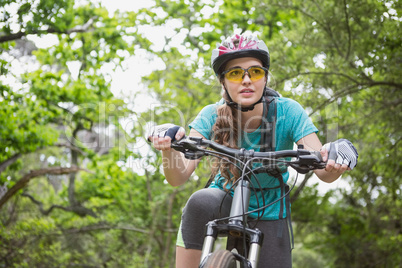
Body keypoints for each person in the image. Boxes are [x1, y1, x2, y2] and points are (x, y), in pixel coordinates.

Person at [148, 34, 358, 268]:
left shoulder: (289, 112)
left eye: (255, 72)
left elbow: (323, 170)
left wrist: (335, 162)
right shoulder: (211, 114)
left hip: (271, 208)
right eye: (235, 73)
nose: (246, 80)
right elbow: (178, 177)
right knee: (198, 202)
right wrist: (168, 149)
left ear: (265, 78)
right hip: (224, 197)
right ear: (223, 82)